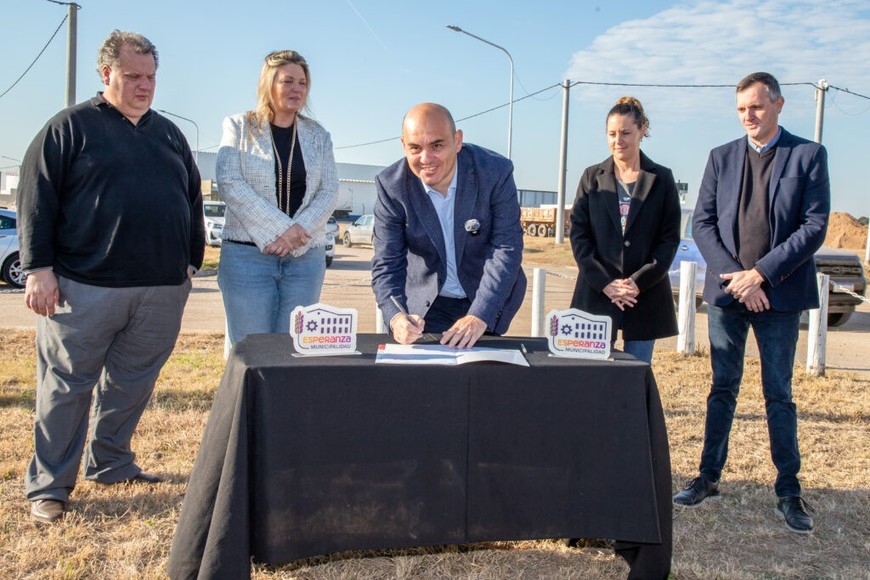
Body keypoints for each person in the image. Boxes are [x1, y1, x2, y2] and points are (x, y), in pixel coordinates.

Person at [16, 30, 204, 524]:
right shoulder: (69, 128)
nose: (145, 86)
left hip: (160, 289)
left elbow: (192, 199)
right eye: (133, 76)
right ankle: (50, 486)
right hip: (84, 287)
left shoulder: (168, 133)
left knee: (131, 385)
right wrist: (39, 269)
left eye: (151, 77)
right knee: (65, 387)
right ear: (106, 75)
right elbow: (36, 200)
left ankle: (111, 462)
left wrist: (191, 260)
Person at [674, 72, 830, 535]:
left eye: (757, 107)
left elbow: (814, 225)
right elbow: (701, 225)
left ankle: (788, 490)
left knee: (778, 393)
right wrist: (738, 280)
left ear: (778, 105)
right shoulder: (720, 157)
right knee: (723, 388)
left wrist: (760, 275)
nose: (749, 116)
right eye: (742, 108)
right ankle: (707, 477)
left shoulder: (808, 156)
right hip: (728, 295)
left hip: (778, 295)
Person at [372, 103, 526, 349]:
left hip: (486, 296)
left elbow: (506, 248)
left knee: (482, 380)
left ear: (457, 141)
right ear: (403, 145)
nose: (426, 159)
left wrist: (479, 316)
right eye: (415, 148)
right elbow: (387, 262)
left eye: (437, 145)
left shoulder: (496, 172)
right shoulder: (391, 187)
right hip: (426, 305)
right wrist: (397, 316)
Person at [216, 50, 337, 348]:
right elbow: (230, 181)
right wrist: (282, 229)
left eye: (302, 83)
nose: (296, 89)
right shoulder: (239, 126)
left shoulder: (318, 135)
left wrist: (297, 234)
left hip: (305, 258)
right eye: (288, 81)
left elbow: (329, 190)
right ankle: (246, 397)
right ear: (268, 84)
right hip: (247, 258)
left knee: (293, 348)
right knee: (250, 348)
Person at [569, 97, 681, 363]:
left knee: (635, 378)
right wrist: (606, 283)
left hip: (643, 296)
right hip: (597, 294)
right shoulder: (591, 177)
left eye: (626, 133)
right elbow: (579, 235)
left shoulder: (662, 179)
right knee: (592, 378)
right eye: (612, 133)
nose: (618, 140)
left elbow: (668, 239)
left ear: (642, 130)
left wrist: (636, 283)